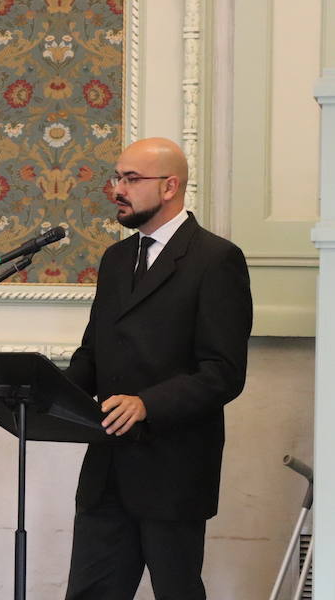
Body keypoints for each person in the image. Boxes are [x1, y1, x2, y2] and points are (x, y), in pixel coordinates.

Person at [62, 138, 253, 599]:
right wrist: (35, 391)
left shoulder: (216, 259)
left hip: (174, 471)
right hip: (107, 471)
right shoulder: (115, 259)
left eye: (131, 179)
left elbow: (223, 372)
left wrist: (147, 404)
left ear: (170, 187)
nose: (117, 189)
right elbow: (93, 355)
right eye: (116, 177)